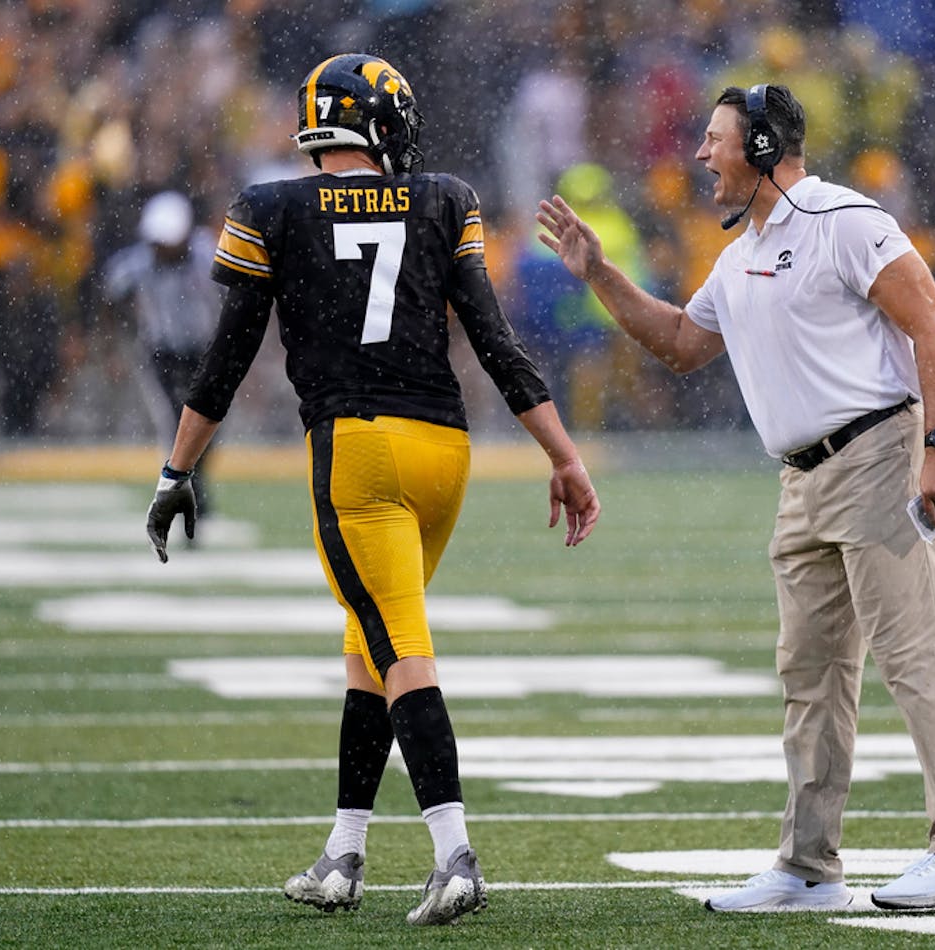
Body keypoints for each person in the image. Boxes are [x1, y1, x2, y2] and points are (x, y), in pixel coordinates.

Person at [143, 53, 599, 926]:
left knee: (397, 649)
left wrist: (177, 467)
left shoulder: (270, 208)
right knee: (370, 645)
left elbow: (226, 361)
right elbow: (495, 342)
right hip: (444, 451)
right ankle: (344, 854)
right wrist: (563, 453)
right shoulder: (441, 197)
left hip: (355, 450)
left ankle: (453, 853)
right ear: (379, 124)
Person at [537, 83, 935, 912]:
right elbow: (681, 343)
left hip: (876, 454)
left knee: (913, 655)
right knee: (811, 677)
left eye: (715, 140)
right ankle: (809, 867)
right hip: (799, 478)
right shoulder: (739, 251)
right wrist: (599, 273)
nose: (701, 154)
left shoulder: (844, 222)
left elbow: (934, 326)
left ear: (759, 151)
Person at [105, 191, 222, 512]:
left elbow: (237, 298)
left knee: (211, 422)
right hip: (162, 352)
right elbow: (111, 295)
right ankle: (189, 489)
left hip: (205, 349)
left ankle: (194, 478)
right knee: (174, 421)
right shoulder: (139, 264)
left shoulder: (206, 256)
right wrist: (118, 342)